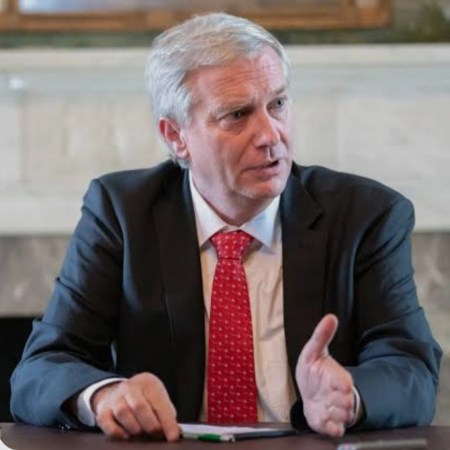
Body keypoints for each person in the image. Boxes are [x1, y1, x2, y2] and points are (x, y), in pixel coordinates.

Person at [11, 12, 441, 443]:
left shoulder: (365, 216)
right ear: (176, 136)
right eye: (237, 115)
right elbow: (42, 367)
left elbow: (411, 369)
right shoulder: (123, 213)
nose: (270, 135)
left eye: (278, 104)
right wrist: (106, 396)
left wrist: (351, 396)